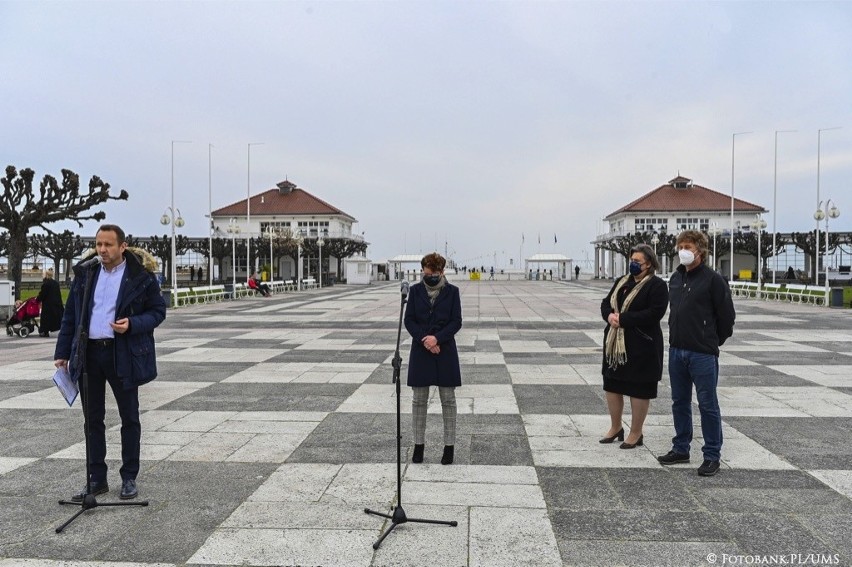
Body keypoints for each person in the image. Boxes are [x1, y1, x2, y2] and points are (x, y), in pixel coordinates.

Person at [54, 224, 166, 501]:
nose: (102, 250)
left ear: (122, 246)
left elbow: (158, 311)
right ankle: (96, 479)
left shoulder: (141, 276)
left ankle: (129, 477)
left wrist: (133, 324)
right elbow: (72, 315)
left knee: (129, 417)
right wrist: (62, 352)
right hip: (89, 354)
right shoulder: (86, 273)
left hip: (122, 353)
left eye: (108, 245)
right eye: (98, 244)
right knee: (92, 419)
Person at [658, 230, 735, 477]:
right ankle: (681, 447)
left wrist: (711, 340)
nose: (683, 250)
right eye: (680, 245)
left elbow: (726, 317)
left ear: (700, 250)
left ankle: (712, 454)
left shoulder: (713, 280)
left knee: (707, 404)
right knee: (679, 402)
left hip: (702, 353)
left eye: (687, 246)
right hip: (677, 350)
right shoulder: (676, 278)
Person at [599, 245, 668, 449]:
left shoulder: (656, 286)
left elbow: (655, 313)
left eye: (638, 261)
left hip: (642, 344)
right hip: (615, 344)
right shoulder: (622, 282)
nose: (633, 264)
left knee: (639, 388)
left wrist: (624, 319)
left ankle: (636, 433)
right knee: (612, 384)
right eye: (632, 260)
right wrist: (610, 316)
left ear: (649, 264)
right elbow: (606, 303)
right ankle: (615, 427)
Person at [405, 252, 463, 465]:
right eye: (426, 273)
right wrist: (425, 340)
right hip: (421, 351)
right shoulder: (414, 291)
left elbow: (456, 321)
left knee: (448, 400)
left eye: (433, 274)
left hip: (444, 351)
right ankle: (418, 446)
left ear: (442, 272)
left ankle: (449, 448)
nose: (429, 277)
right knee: (418, 400)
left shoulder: (452, 292)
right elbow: (409, 320)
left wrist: (437, 339)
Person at [37, 272, 64, 337]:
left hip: (48, 305)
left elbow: (42, 294)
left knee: (46, 319)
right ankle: (53, 329)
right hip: (56, 304)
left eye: (42, 274)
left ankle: (44, 331)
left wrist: (38, 299)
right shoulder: (55, 283)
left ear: (46, 275)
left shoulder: (45, 284)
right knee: (54, 318)